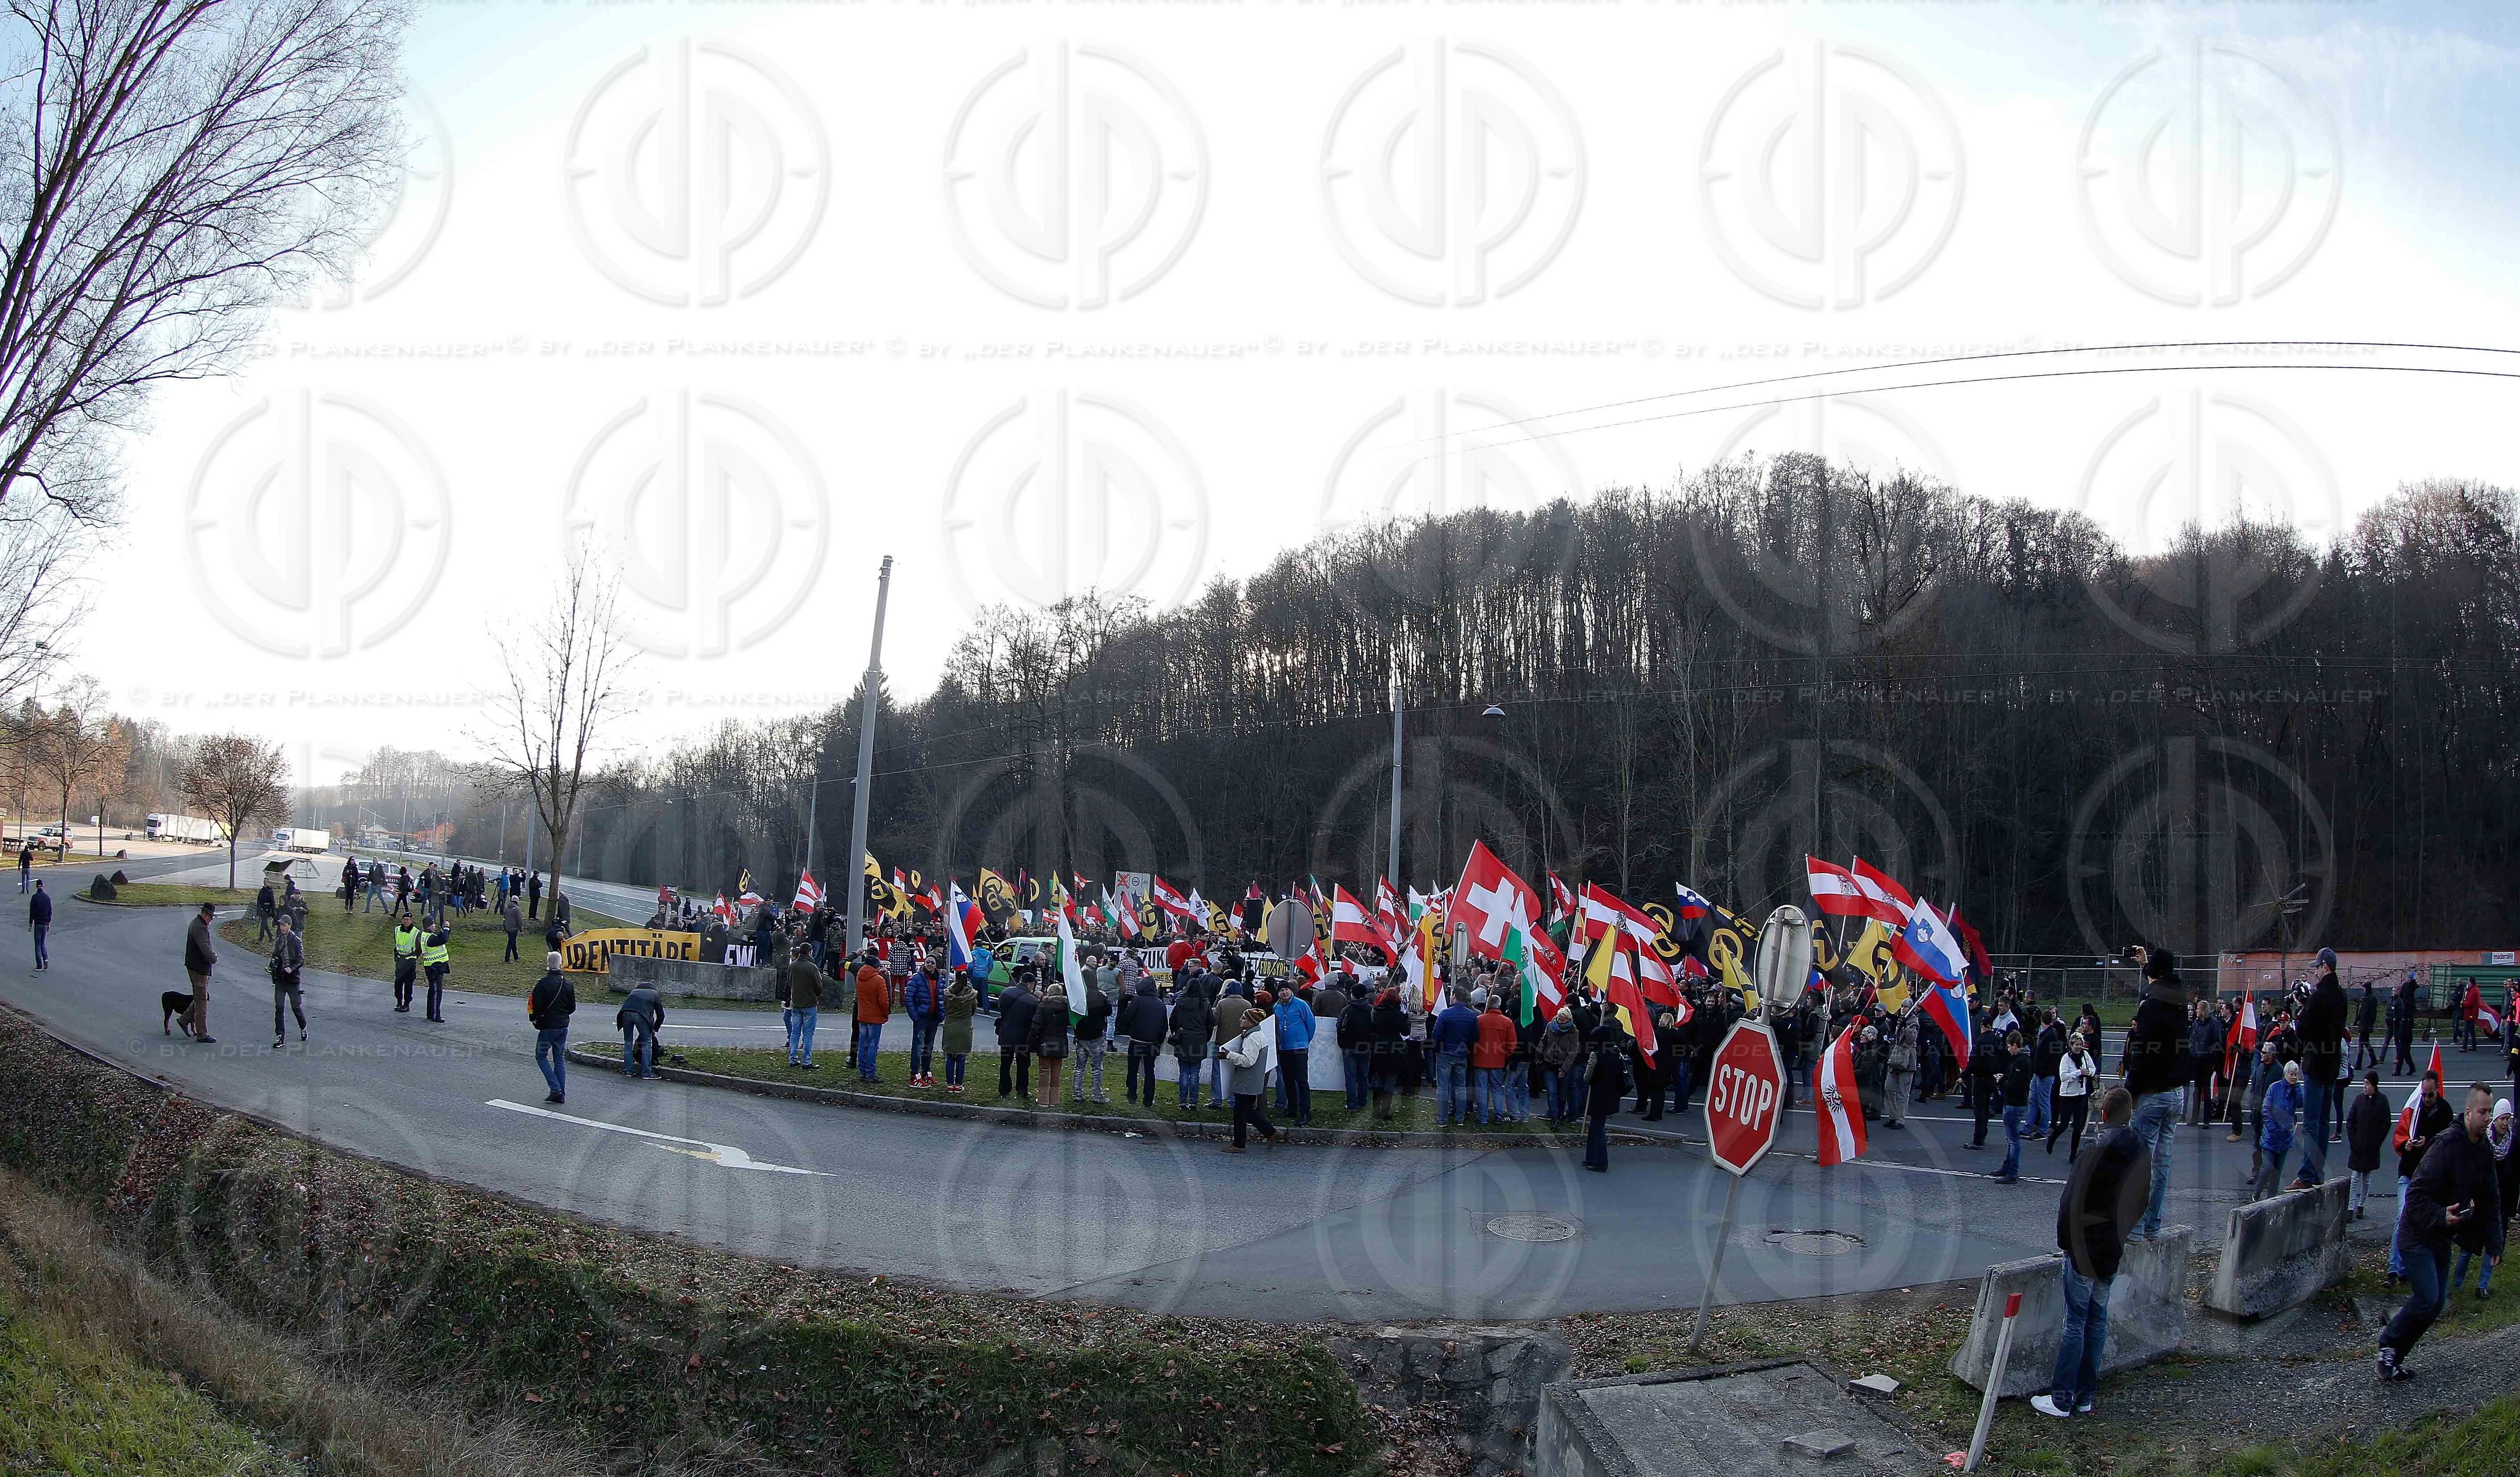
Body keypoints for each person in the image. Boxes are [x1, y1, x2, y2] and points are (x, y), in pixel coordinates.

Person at [2032, 1085, 2150, 1419]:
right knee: (2098, 1320)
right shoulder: (2141, 1149)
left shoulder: (2094, 1151)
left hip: (2084, 1247)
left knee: (2076, 1322)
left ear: (2103, 1114)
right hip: (2111, 1246)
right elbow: (2143, 1198)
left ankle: (2062, 1398)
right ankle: (2085, 1395)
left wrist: (2066, 1242)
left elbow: (2071, 1201)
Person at [2378, 1081, 2499, 1379]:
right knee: (2427, 1297)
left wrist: (2495, 1242)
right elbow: (2416, 1195)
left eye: (2491, 1113)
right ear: (2468, 1112)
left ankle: (2394, 1358)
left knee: (2436, 1305)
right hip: (2416, 1233)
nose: (2488, 1118)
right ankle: (2387, 1344)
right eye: (2483, 1112)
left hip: (2441, 1238)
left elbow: (2491, 1198)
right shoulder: (2446, 1145)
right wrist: (2439, 1214)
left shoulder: (2483, 1150)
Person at [2120, 945, 2190, 1240]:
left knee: (2140, 1162)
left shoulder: (2150, 1006)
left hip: (2152, 1091)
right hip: (2176, 1090)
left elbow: (2142, 1054)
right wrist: (2147, 965)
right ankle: (2152, 1225)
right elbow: (2155, 989)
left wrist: (2130, 1094)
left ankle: (2134, 1229)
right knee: (2162, 1163)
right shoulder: (2180, 999)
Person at [2390, 1072, 2456, 1283]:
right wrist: (2406, 1145)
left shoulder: (2445, 1111)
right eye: (2424, 1094)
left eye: (2430, 1095)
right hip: (2409, 1172)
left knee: (2423, 1222)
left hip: (2430, 1177)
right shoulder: (2414, 1108)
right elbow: (2401, 1135)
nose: (2427, 1099)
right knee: (2402, 1215)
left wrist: (2427, 1142)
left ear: (2437, 1089)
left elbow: (2447, 1145)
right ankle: (2394, 1268)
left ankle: (2413, 1268)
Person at [2289, 949, 2347, 1186]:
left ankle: (2307, 1175)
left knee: (2311, 1123)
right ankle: (2319, 1172)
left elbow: (2304, 1030)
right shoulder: (2342, 996)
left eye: (2317, 967)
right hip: (2332, 1063)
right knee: (2324, 1121)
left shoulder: (2319, 996)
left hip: (2316, 1062)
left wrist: (2299, 1015)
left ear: (2325, 967)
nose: (2315, 971)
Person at [2447, 1095, 2510, 1299]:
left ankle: (2482, 1286)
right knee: (2468, 1247)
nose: (2505, 1123)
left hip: (2500, 1205)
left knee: (2494, 1247)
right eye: (2502, 1118)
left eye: (2508, 1119)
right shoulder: (2484, 1143)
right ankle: (2457, 1284)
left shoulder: (2514, 1144)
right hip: (2478, 1202)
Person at [1219, 1003, 1277, 1152]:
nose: (1241, 1019)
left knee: (1240, 1114)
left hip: (1246, 1081)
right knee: (1248, 1113)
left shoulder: (1252, 1038)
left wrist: (1229, 1055)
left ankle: (1239, 1144)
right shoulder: (1256, 1035)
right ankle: (1270, 1132)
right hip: (1251, 1081)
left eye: (1244, 1018)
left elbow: (1248, 1061)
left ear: (1251, 1022)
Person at [527, 952, 575, 1104]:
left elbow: (536, 1006)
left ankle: (556, 1089)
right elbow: (572, 1008)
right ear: (561, 965)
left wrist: (535, 1019)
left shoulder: (543, 983)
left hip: (548, 1027)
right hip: (563, 1026)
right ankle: (561, 1093)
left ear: (548, 965)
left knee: (541, 1056)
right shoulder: (568, 984)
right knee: (559, 1059)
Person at [1582, 1025, 1629, 1172]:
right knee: (1597, 1126)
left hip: (1598, 1095)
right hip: (1612, 1094)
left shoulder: (1596, 1055)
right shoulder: (1616, 1052)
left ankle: (1600, 1161)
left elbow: (1587, 1078)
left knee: (1597, 1128)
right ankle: (1591, 1157)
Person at [1432, 988, 1481, 1127]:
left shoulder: (1446, 1014)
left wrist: (1438, 1048)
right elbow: (1475, 1037)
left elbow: (1436, 1035)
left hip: (1445, 1054)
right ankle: (1460, 1117)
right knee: (1461, 1087)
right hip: (1462, 1055)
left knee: (1443, 1087)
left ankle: (1442, 1120)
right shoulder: (1472, 1016)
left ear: (1454, 996)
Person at [2257, 1060, 2304, 1201]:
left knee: (2278, 1171)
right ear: (2285, 1074)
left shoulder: (2296, 1089)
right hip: (2271, 1135)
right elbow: (2266, 1109)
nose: (2294, 1077)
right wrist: (2271, 1127)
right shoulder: (2274, 1088)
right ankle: (2258, 1190)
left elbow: (2301, 1104)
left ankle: (2271, 1198)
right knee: (2267, 1168)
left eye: (2296, 1075)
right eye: (2292, 1074)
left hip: (2285, 1135)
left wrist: (2297, 1088)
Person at [1992, 1030, 2032, 1184]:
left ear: (2015, 1046)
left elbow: (2017, 1085)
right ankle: (2007, 1167)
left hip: (2015, 1103)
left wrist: (2003, 1082)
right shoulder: (2021, 1060)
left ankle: (2012, 1172)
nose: (2009, 1050)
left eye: (2010, 1046)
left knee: (2013, 1140)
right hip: (2015, 1103)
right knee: (2011, 1139)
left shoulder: (2022, 1062)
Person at [1273, 985, 1316, 1126]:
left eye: (1286, 989)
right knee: (1288, 1080)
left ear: (1292, 991)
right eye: (1281, 990)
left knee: (1302, 1081)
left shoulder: (1301, 1005)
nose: (1284, 992)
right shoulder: (1277, 1007)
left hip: (1299, 1048)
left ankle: (1305, 1111)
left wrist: (1304, 1040)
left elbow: (1311, 1024)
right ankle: (1292, 1108)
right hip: (1284, 1048)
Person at [2049, 1029, 2096, 1159]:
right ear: (2071, 1045)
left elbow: (2093, 1068)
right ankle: (2052, 1140)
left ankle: (2073, 1154)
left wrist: (2089, 1073)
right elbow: (2063, 1077)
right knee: (2064, 1125)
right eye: (2077, 1045)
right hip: (2067, 1096)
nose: (2079, 1047)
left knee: (2077, 1127)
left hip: (2081, 1094)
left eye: (2081, 1045)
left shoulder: (2086, 1055)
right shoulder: (2066, 1058)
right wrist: (2079, 1073)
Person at [1122, 977, 1167, 1108]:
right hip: (1152, 1043)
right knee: (1150, 1071)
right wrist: (1159, 1041)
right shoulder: (1160, 1004)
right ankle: (1148, 1099)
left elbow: (1126, 1018)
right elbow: (1164, 1026)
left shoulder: (1137, 1002)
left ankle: (1132, 1095)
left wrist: (1130, 1029)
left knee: (1133, 1069)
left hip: (1136, 1041)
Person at [1172, 975, 1214, 1109]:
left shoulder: (1180, 1002)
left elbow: (1172, 1020)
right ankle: (1194, 1102)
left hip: (1183, 1038)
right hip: (1199, 1039)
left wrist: (1177, 1031)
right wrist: (1206, 1037)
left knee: (1184, 1072)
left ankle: (1182, 1102)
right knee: (1195, 1073)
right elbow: (1210, 1024)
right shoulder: (1205, 1004)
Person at [1474, 994, 1516, 1125]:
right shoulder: (1507, 1022)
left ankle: (1482, 1117)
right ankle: (1498, 1115)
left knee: (1482, 1089)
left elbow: (1472, 1039)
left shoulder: (1479, 1020)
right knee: (1497, 1088)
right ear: (1499, 1005)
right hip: (1498, 1060)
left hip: (1480, 1059)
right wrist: (1506, 1055)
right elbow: (1512, 1043)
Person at [266, 913, 307, 1048]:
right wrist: (272, 966)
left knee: (296, 1007)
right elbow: (275, 956)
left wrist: (292, 968)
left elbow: (301, 960)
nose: (282, 927)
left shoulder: (296, 941)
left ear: (290, 926)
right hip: (281, 980)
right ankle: (280, 1037)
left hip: (293, 980)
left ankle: (303, 1027)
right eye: (281, 925)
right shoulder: (279, 941)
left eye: (285, 925)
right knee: (279, 1008)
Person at [994, 970, 1037, 1100]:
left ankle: (1004, 1090)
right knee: (1023, 1065)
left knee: (1005, 1064)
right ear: (1030, 984)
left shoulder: (1007, 992)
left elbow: (1000, 1008)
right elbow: (1033, 1019)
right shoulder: (1032, 1000)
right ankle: (1022, 1091)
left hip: (1006, 1033)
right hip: (1022, 1037)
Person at [182, 901, 218, 1043]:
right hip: (199, 968)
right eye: (211, 917)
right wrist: (214, 958)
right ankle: (202, 1034)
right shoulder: (200, 927)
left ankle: (184, 1020)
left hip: (196, 966)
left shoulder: (197, 924)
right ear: (205, 915)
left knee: (199, 998)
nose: (211, 920)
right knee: (202, 1001)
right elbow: (205, 949)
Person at [851, 950, 889, 1085]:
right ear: (876, 967)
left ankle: (862, 1072)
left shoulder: (860, 976)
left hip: (863, 1016)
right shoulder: (879, 980)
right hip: (875, 1017)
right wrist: (885, 1014)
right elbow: (884, 1001)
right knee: (873, 1046)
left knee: (862, 1045)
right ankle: (870, 1074)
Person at [1030, 981, 1069, 1105]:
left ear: (1049, 993)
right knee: (1056, 1073)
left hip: (1046, 1042)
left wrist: (1031, 1041)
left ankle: (1043, 1100)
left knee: (1044, 1071)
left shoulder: (1043, 1006)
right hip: (1061, 1043)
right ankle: (1054, 1099)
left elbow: (1037, 1025)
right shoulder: (1067, 1008)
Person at [939, 970, 977, 1093]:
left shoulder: (949, 994)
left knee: (950, 1057)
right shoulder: (971, 996)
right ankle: (959, 1085)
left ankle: (950, 1084)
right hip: (965, 1027)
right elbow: (973, 1011)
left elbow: (945, 1007)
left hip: (950, 1026)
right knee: (961, 1057)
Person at [616, 981, 664, 1079]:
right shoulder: (655, 994)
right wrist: (655, 1029)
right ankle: (647, 1073)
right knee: (647, 1042)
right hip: (640, 1016)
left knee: (628, 1042)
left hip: (625, 1014)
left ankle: (629, 1070)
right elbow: (661, 1015)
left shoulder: (634, 991)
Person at [784, 951, 821, 1069]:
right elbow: (819, 986)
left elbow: (790, 983)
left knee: (795, 1032)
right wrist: (816, 996)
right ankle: (806, 1061)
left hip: (796, 1003)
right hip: (810, 1004)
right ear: (810, 952)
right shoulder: (813, 968)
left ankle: (793, 1059)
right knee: (808, 1034)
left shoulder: (792, 966)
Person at [419, 917, 451, 1022]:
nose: (435, 926)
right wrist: (446, 928)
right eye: (433, 924)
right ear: (429, 926)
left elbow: (441, 938)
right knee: (437, 992)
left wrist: (443, 930)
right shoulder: (430, 938)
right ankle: (435, 1015)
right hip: (435, 967)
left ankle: (431, 1013)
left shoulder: (427, 935)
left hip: (433, 966)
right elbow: (443, 940)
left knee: (433, 991)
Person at [26, 878, 49, 970]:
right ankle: (46, 960)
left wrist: (31, 924)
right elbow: (50, 911)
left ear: (36, 886)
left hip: (38, 923)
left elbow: (32, 911)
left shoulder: (35, 897)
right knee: (43, 943)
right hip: (45, 924)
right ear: (43, 886)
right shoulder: (47, 898)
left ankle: (39, 965)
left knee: (37, 945)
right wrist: (48, 923)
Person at [253, 877, 277, 943]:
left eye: (266, 882)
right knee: (265, 925)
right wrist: (258, 910)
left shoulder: (270, 891)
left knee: (263, 925)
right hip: (262, 910)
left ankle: (261, 938)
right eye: (264, 882)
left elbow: (272, 901)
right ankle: (271, 937)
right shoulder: (262, 890)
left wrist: (272, 911)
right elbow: (259, 900)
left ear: (268, 883)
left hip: (267, 910)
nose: (265, 883)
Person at [502, 895, 523, 964]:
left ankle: (516, 957)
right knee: (511, 943)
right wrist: (521, 929)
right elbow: (519, 920)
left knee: (513, 943)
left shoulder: (507, 908)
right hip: (514, 929)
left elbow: (504, 919)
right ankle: (507, 959)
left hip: (508, 928)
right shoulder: (517, 909)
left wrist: (505, 927)